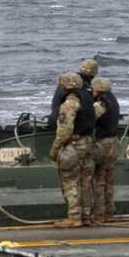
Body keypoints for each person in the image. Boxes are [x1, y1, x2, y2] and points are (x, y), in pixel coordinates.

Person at [49, 72, 96, 228]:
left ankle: (74, 216)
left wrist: (55, 149)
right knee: (86, 181)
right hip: (88, 143)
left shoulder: (69, 103)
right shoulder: (88, 99)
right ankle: (86, 215)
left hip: (74, 145)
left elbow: (64, 131)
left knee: (70, 181)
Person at [89, 76, 120, 225]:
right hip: (113, 142)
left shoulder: (101, 103)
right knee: (109, 179)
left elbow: (90, 118)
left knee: (99, 180)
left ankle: (100, 214)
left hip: (103, 143)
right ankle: (110, 212)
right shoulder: (112, 99)